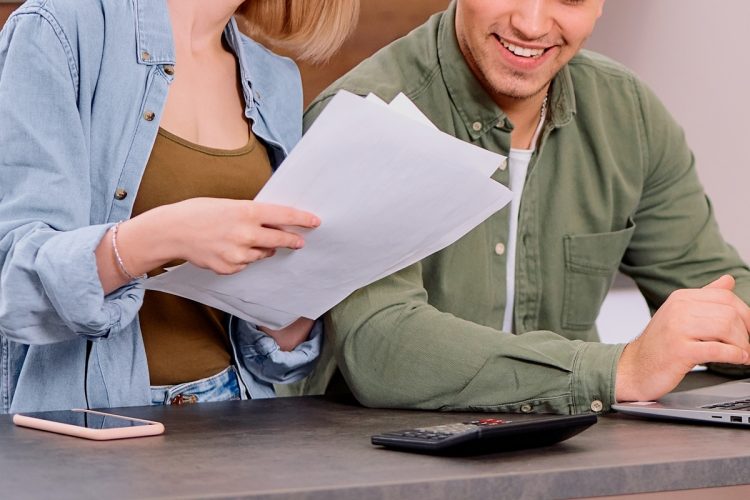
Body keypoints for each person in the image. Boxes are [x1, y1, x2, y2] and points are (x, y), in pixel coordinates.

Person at [296, 0, 750, 414]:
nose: (530, 25)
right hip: (378, 461)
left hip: (571, 458)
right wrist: (620, 370)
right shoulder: (368, 116)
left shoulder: (626, 112)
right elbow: (384, 347)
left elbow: (719, 296)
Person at [0, 0, 358, 413]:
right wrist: (166, 235)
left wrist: (293, 306)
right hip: (96, 427)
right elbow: (13, 283)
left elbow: (276, 357)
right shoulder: (59, 29)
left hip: (237, 415)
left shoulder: (275, 79)